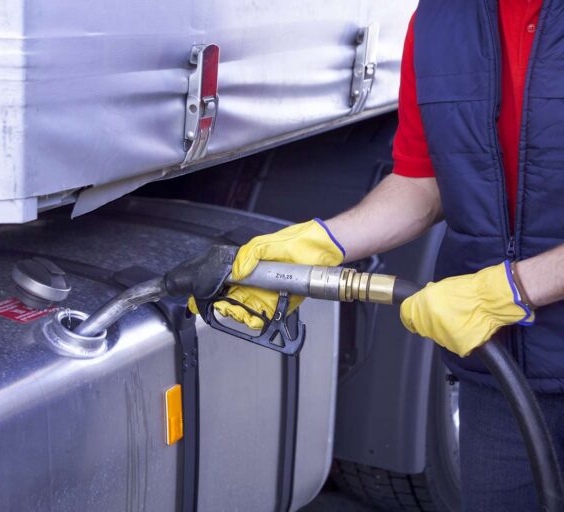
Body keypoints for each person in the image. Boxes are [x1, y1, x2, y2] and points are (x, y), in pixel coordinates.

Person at [192, 1, 564, 510]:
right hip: (502, 378)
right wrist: (321, 244)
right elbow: (423, 181)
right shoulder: (441, 18)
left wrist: (516, 288)